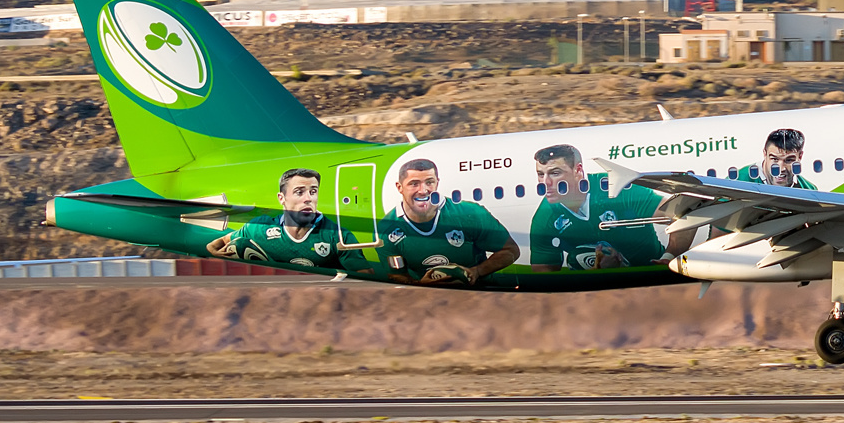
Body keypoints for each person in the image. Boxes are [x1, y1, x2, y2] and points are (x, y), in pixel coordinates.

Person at [527, 143, 691, 270]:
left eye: (555, 173)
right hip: (603, 290)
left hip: (650, 272)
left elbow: (686, 213)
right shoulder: (545, 218)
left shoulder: (617, 189)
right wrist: (595, 276)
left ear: (578, 171)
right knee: (576, 258)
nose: (545, 183)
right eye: (541, 174)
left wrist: (668, 258)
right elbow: (544, 274)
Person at [378, 157, 520, 286]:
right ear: (399, 187)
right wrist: (421, 284)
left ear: (437, 183)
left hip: (480, 294)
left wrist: (476, 272)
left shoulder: (470, 214)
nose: (423, 190)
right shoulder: (387, 229)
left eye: (429, 182)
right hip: (427, 300)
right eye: (414, 184)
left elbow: (510, 250)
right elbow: (396, 275)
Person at [206, 167, 368, 274]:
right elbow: (222, 241)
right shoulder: (261, 227)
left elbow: (365, 277)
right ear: (281, 198)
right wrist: (213, 250)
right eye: (299, 192)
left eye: (313, 191)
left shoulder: (337, 235)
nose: (308, 199)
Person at [735, 128, 817, 189]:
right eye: (775, 159)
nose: (781, 168)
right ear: (764, 154)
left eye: (788, 160)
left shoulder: (809, 189)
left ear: (800, 157)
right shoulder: (738, 180)